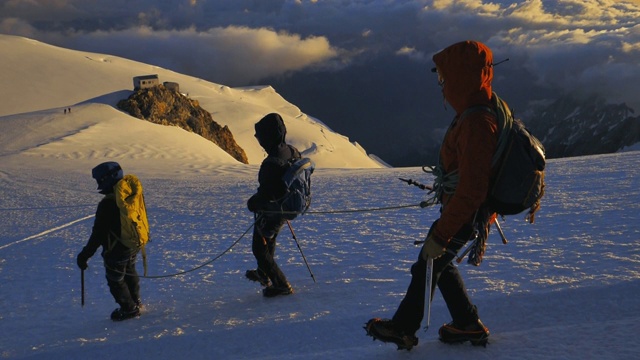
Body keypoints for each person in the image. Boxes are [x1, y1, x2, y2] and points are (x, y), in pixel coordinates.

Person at [366, 40, 502, 350]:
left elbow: (472, 189)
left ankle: (403, 328)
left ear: (461, 78)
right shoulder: (476, 111)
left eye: (444, 78)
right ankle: (467, 323)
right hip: (464, 209)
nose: (441, 85)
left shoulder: (476, 122)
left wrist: (442, 233)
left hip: (466, 212)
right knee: (439, 263)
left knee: (429, 260)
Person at [76, 161, 142, 321]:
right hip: (133, 244)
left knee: (116, 279)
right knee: (130, 271)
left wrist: (85, 255)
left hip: (116, 250)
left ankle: (129, 309)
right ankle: (136, 302)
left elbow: (98, 234)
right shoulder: (130, 194)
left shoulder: (107, 204)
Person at [245, 113, 301, 297]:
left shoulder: (271, 163)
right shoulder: (292, 151)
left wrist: (252, 203)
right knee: (269, 238)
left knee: (259, 248)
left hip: (274, 209)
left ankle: (281, 284)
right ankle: (263, 273)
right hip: (285, 206)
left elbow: (267, 194)